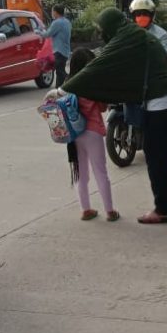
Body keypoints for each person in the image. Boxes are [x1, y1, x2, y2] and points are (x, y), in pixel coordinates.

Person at [61, 8, 167, 224]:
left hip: (162, 101)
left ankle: (163, 209)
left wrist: (64, 90)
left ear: (110, 27)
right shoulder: (138, 34)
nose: (101, 34)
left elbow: (97, 66)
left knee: (156, 156)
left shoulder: (125, 38)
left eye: (101, 30)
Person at [66, 48, 118, 222]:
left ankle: (85, 209)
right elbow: (103, 107)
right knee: (100, 172)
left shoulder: (67, 83)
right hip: (93, 131)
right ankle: (110, 211)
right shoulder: (91, 83)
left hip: (73, 135)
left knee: (80, 173)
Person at [37, 5, 72, 88]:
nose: (51, 13)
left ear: (56, 12)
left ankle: (71, 82)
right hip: (66, 50)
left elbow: (47, 34)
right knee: (60, 71)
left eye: (52, 11)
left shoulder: (57, 22)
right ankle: (59, 89)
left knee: (60, 72)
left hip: (59, 50)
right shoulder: (67, 22)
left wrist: (38, 32)